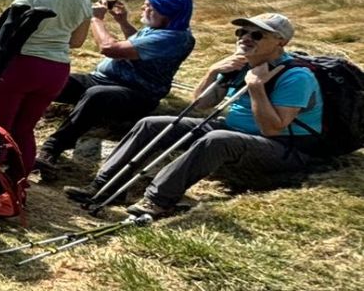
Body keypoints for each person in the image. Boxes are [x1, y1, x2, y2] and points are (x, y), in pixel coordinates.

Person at [68, 13, 323, 219]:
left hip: (285, 148)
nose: (246, 38)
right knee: (150, 124)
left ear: (281, 42)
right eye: (241, 32)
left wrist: (256, 88)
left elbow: (273, 128)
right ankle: (103, 186)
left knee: (218, 139)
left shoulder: (296, 77)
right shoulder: (242, 63)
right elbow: (201, 104)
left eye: (256, 34)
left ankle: (158, 200)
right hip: (237, 131)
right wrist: (213, 72)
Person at [36, 0, 196, 173]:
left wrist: (96, 18)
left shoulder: (174, 38)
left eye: (149, 7)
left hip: (137, 93)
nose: (144, 9)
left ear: (167, 13)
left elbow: (109, 48)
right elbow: (139, 46)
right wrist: (123, 21)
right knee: (53, 80)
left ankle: (52, 149)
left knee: (97, 96)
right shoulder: (163, 28)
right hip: (103, 79)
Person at [0, 0, 90, 181]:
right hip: (57, 70)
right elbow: (77, 41)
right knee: (25, 128)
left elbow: (5, 39)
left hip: (20, 67)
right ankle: (19, 181)